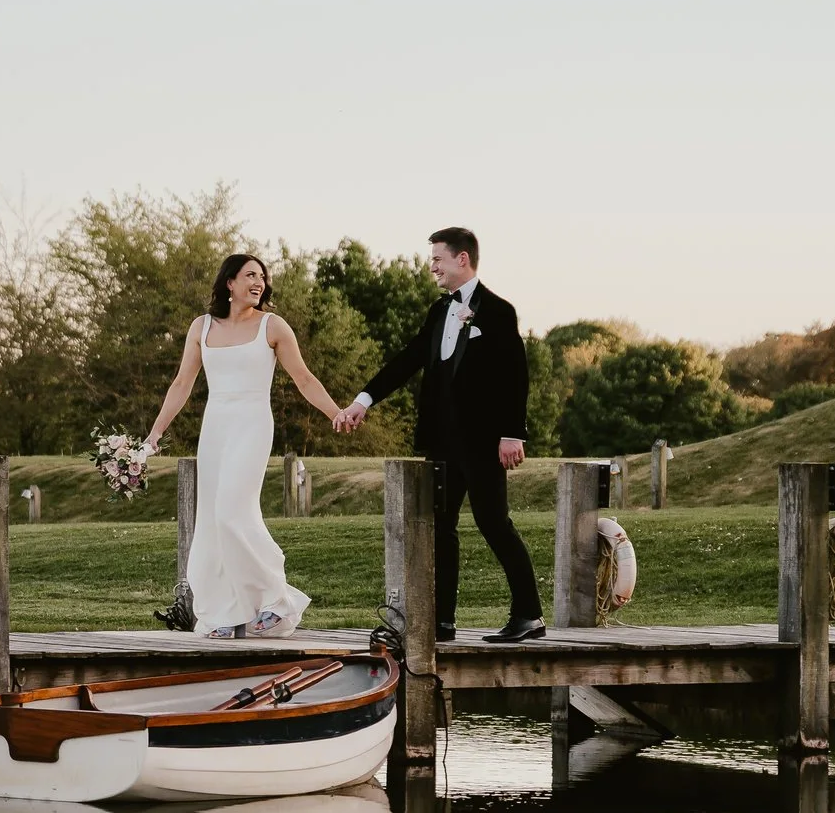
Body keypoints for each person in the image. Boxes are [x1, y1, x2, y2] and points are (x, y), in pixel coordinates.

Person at [333, 226, 543, 642]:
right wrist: (363, 400)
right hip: (442, 443)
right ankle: (441, 622)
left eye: (437, 259)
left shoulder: (498, 312)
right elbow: (407, 360)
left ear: (462, 259)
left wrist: (512, 433)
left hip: (484, 442)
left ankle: (529, 615)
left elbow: (514, 377)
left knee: (493, 522)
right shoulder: (438, 312)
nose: (432, 267)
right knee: (440, 528)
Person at [145, 253, 348, 638]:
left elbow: (304, 379)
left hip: (252, 424)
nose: (259, 281)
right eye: (250, 274)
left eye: (262, 276)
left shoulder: (273, 326)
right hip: (216, 428)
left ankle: (276, 600)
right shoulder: (201, 327)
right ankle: (226, 614)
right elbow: (181, 384)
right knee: (211, 521)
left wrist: (335, 412)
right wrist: (155, 435)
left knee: (231, 512)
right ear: (229, 283)